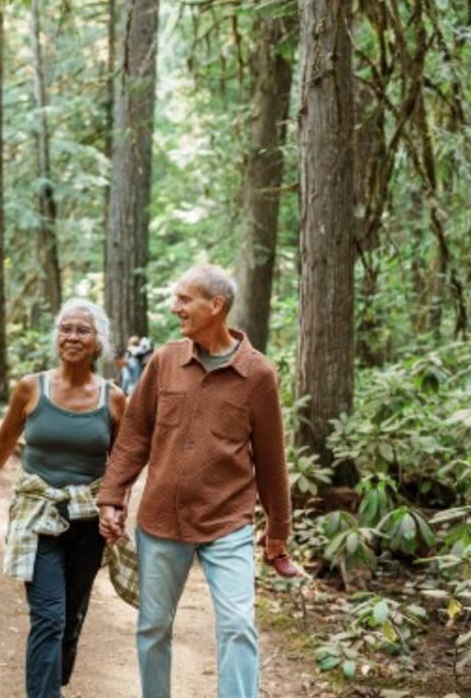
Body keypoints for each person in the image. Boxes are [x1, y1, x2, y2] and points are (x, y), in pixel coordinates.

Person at [96, 263, 301, 698]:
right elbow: (134, 434)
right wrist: (111, 496)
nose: (175, 309)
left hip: (227, 522)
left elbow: (270, 461)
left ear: (216, 305)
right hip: (160, 521)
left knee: (239, 626)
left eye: (184, 300)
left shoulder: (258, 375)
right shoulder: (166, 361)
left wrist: (277, 531)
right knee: (153, 626)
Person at [0, 298, 136, 698]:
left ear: (98, 343)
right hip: (37, 515)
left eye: (82, 330)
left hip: (87, 522)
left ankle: (50, 681)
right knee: (49, 617)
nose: (72, 336)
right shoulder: (30, 388)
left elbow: (124, 462)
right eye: (66, 328)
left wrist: (116, 504)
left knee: (70, 617)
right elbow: (3, 444)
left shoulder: (112, 399)